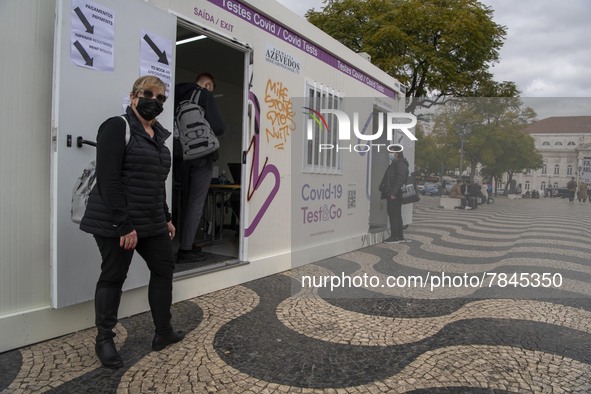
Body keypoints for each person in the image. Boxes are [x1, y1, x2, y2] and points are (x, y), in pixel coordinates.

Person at [80, 76, 184, 369]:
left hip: (151, 219)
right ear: (133, 96)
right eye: (148, 94)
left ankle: (163, 332)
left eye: (161, 97)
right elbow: (109, 180)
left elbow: (155, 181)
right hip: (117, 221)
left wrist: (165, 216)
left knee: (164, 269)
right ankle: (104, 340)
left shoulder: (158, 135)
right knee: (114, 276)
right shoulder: (117, 126)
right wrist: (123, 225)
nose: (155, 100)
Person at [174, 73, 225, 262]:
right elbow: (219, 127)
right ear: (207, 84)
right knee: (196, 203)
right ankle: (185, 250)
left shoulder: (176, 96)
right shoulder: (204, 95)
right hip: (201, 156)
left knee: (185, 202)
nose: (211, 91)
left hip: (181, 156)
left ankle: (186, 243)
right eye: (211, 87)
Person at [380, 151, 409, 244]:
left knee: (393, 214)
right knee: (396, 215)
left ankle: (394, 236)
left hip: (395, 194)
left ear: (397, 153)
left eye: (392, 152)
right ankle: (399, 236)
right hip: (394, 193)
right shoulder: (396, 163)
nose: (390, 154)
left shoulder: (400, 163)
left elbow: (400, 178)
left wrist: (393, 192)